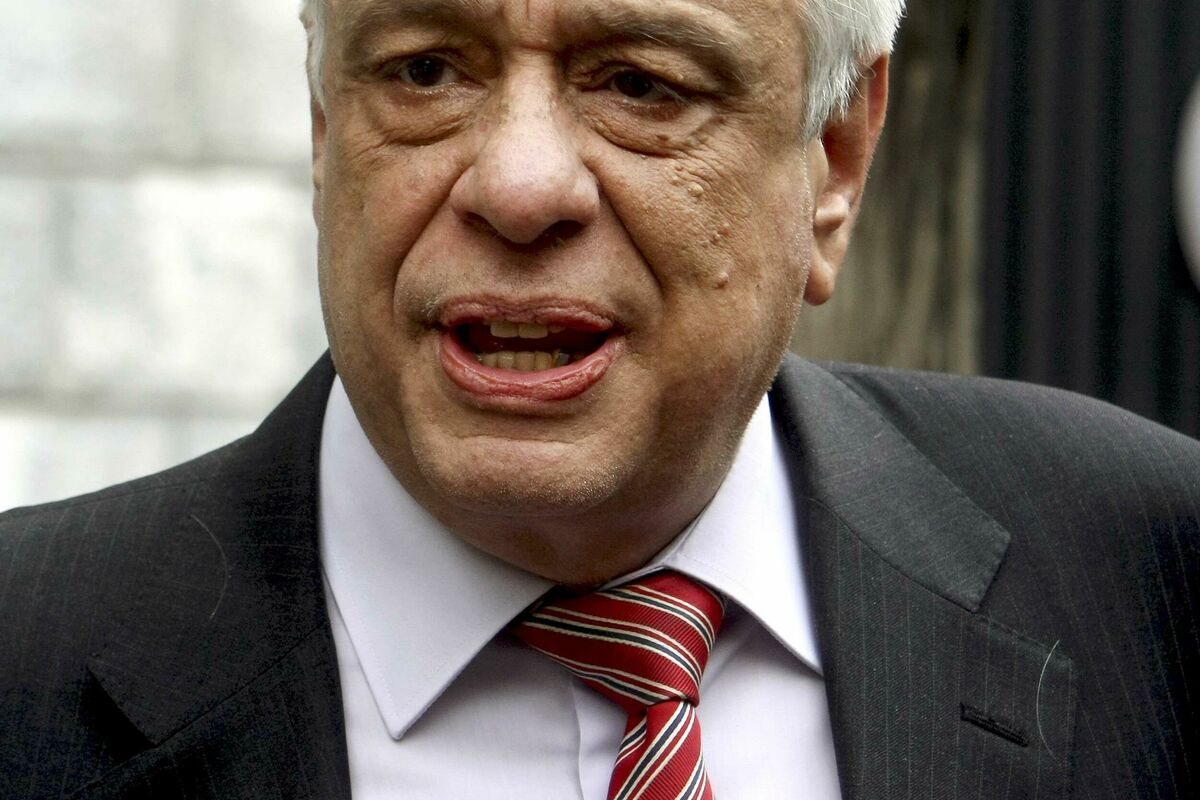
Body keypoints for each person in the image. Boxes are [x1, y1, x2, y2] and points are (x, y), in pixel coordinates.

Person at [2, 0, 1197, 797]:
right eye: (425, 70)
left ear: (834, 158)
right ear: (324, 124)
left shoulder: (1152, 580)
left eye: (640, 84)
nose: (518, 185)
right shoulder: (27, 669)